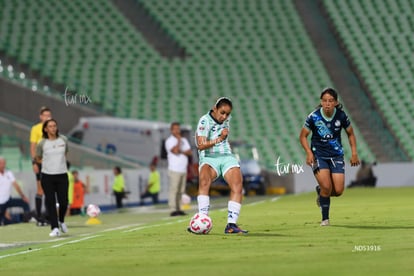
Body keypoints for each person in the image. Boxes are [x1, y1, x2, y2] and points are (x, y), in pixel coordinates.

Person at [299, 87, 360, 226]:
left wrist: (354, 153)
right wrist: (309, 152)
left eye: (331, 101)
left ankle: (320, 192)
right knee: (327, 187)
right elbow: (303, 136)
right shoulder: (313, 117)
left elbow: (350, 133)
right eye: (325, 101)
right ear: (321, 102)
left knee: (338, 191)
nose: (327, 104)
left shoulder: (341, 116)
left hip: (336, 156)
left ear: (336, 103)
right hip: (318, 155)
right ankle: (325, 219)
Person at [189, 97, 248, 234]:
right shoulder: (204, 121)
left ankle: (231, 225)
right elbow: (200, 145)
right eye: (222, 113)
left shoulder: (227, 119)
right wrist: (219, 139)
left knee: (237, 185)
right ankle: (202, 218)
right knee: (204, 182)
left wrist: (223, 140)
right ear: (215, 109)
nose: (225, 116)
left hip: (226, 156)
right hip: (209, 158)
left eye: (228, 114)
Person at [35, 119, 69, 237]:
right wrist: (48, 163)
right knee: (51, 202)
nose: (53, 128)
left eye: (55, 126)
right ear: (46, 129)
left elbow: (65, 154)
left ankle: (61, 220)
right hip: (47, 176)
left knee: (64, 202)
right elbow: (38, 158)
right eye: (50, 126)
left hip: (62, 175)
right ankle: (54, 227)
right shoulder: (42, 143)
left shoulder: (63, 140)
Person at [30, 106, 52, 226]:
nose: (47, 117)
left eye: (49, 115)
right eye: (45, 115)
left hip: (50, 162)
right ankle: (39, 217)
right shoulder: (36, 129)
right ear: (41, 116)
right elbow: (33, 147)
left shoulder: (52, 128)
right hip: (40, 161)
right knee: (40, 189)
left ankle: (48, 216)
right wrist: (34, 162)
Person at [165, 122, 192, 216]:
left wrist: (181, 150)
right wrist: (179, 141)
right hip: (174, 169)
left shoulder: (185, 140)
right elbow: (175, 151)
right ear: (171, 130)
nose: (177, 131)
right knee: (174, 189)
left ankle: (180, 208)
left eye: (178, 129)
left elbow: (189, 153)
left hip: (183, 169)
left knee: (181, 190)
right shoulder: (170, 141)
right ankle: (173, 209)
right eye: (175, 129)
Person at [0, 157, 31, 225]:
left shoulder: (8, 173)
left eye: (4, 163)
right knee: (6, 222)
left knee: (24, 203)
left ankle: (28, 219)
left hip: (8, 200)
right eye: (1, 163)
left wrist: (23, 196)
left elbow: (16, 185)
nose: (3, 165)